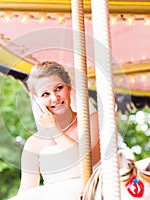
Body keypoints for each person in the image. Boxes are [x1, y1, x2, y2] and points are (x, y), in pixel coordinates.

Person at [9, 61, 100, 200]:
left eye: (58, 88)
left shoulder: (91, 122)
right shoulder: (34, 144)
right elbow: (26, 191)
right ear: (37, 100)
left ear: (69, 88)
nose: (55, 98)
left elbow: (84, 163)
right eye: (45, 94)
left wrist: (53, 129)